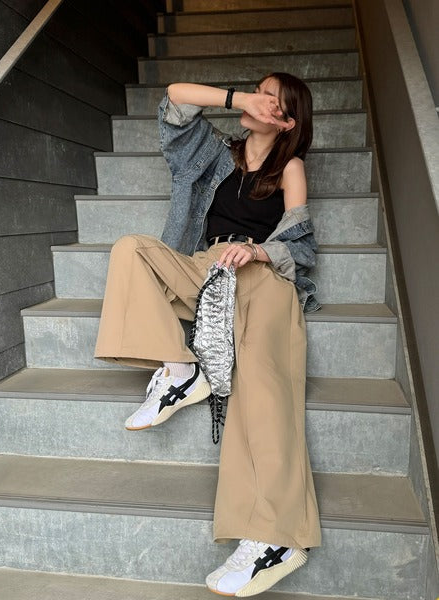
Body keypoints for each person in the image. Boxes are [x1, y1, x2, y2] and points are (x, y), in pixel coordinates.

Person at [94, 72, 322, 597]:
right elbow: (175, 98)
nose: (257, 100)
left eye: (271, 99)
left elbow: (302, 243)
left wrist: (258, 250)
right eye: (256, 91)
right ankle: (181, 369)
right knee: (131, 250)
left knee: (261, 394)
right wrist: (239, 99)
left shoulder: (290, 167)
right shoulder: (217, 154)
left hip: (262, 277)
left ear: (288, 121)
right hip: (206, 267)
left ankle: (276, 538)